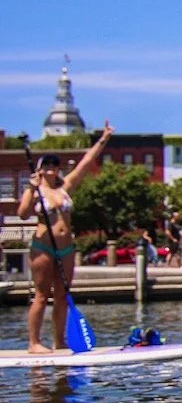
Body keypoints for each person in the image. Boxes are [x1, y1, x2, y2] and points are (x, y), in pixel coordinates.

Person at [17, 120, 112, 353]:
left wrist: (103, 139)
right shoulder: (36, 190)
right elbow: (22, 214)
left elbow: (86, 162)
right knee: (41, 296)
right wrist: (31, 189)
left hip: (66, 248)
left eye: (55, 164)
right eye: (47, 164)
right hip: (43, 247)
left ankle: (59, 341)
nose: (52, 167)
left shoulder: (65, 187)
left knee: (62, 295)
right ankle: (34, 343)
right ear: (39, 168)